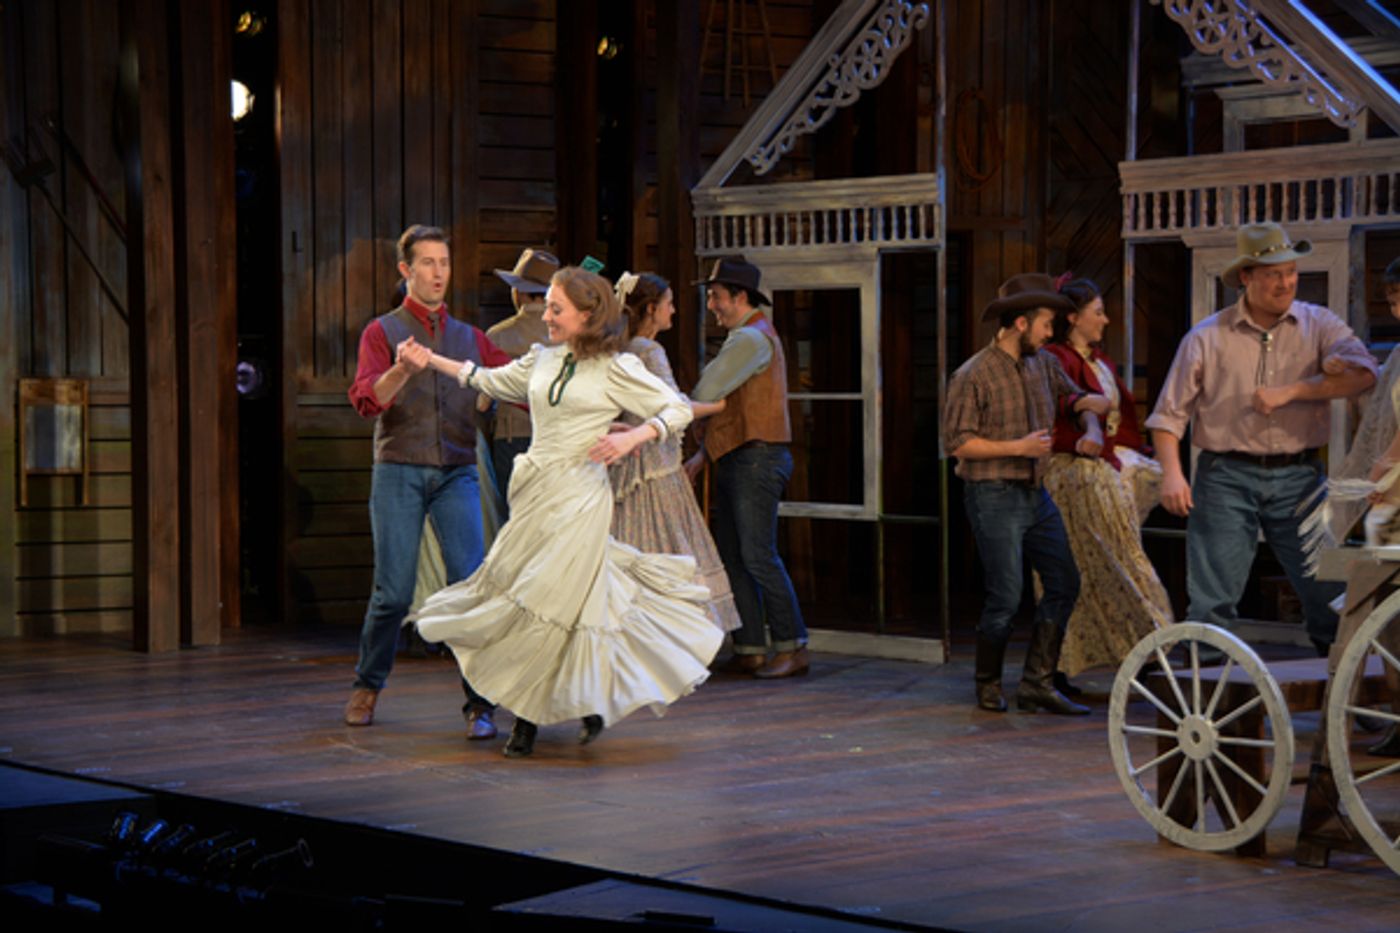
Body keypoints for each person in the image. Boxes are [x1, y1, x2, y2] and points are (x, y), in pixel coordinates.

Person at [407, 266, 723, 758]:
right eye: (548, 306)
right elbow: (486, 377)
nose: (546, 316)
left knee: (548, 599)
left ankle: (527, 722)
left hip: (581, 496)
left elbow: (675, 409)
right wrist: (432, 360)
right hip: (535, 492)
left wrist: (635, 436)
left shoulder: (616, 368)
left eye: (556, 308)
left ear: (587, 314)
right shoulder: (542, 359)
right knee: (528, 594)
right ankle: (587, 699)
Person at [1145, 222, 1377, 654]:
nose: (1285, 282)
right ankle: (1209, 702)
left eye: (1290, 271)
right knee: (1214, 599)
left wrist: (1296, 390)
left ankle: (1341, 690)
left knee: (1326, 589)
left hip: (1301, 476)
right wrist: (1173, 475)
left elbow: (1365, 375)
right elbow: (1168, 415)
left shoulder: (1319, 324)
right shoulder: (1206, 338)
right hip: (1226, 476)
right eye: (1273, 273)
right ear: (1247, 277)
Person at [343, 224, 515, 738]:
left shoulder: (470, 338)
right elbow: (365, 401)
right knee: (393, 592)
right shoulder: (383, 331)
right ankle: (368, 684)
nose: (438, 272)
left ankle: (479, 704)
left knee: (469, 584)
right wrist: (400, 371)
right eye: (427, 263)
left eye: (444, 262)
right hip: (399, 468)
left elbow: (516, 382)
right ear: (406, 271)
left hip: (457, 471)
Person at [943, 273, 1110, 715]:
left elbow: (1077, 399)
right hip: (993, 493)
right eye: (1045, 324)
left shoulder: (1043, 364)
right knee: (1006, 592)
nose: (1050, 332)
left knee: (1064, 580)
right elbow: (958, 443)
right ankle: (988, 683)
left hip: (1037, 494)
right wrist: (1018, 447)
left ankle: (1037, 680)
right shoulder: (972, 375)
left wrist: (1091, 416)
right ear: (1021, 323)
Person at [1041, 277, 1173, 690]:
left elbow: (1120, 424)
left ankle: (1151, 650)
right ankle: (1148, 647)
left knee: (1119, 558)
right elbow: (1067, 413)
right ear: (1073, 317)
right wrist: (1092, 436)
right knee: (1097, 564)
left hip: (1107, 466)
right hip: (1076, 472)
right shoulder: (1052, 359)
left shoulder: (1101, 361)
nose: (1106, 319)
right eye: (1098, 311)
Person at [686, 258, 808, 679]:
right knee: (736, 557)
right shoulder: (748, 337)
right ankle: (752, 646)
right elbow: (730, 409)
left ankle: (793, 645)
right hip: (740, 456)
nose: (712, 306)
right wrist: (704, 456)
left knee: (757, 555)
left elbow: (706, 391)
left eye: (716, 297)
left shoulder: (750, 339)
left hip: (757, 458)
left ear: (739, 296)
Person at [610, 271, 741, 633]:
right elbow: (672, 406)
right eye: (668, 303)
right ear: (651, 309)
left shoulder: (623, 348)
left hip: (630, 462)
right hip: (653, 462)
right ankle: (672, 631)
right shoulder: (649, 350)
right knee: (665, 542)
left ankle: (638, 627)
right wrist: (717, 407)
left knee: (633, 540)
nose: (674, 309)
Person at [485, 248, 558, 509]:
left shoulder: (498, 335)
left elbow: (483, 399)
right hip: (559, 437)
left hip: (512, 433)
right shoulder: (567, 335)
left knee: (515, 517)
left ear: (519, 292)